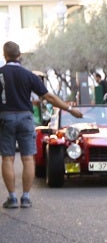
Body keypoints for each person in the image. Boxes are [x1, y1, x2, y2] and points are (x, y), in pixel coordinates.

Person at [0, 40, 83, 209]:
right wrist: (70, 109)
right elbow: (49, 97)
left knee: (7, 158)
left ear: (5, 55)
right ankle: (26, 197)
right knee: (28, 158)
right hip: (25, 118)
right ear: (19, 56)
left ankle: (12, 198)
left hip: (5, 118)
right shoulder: (29, 75)